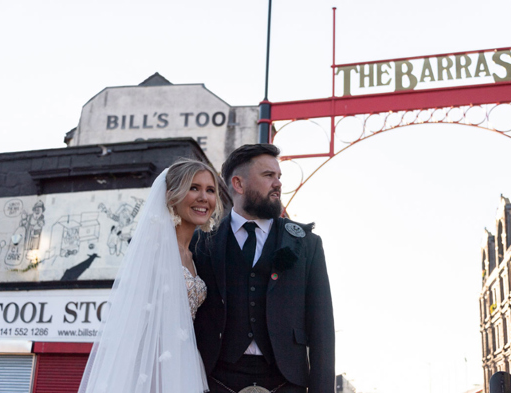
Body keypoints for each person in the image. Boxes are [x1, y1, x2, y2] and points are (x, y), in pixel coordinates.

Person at [192, 144, 335, 393]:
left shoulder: (307, 243)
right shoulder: (201, 243)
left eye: (279, 177)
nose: (278, 183)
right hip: (216, 381)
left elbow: (322, 328)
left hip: (287, 382)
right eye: (268, 176)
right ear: (238, 184)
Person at [78, 158, 223, 393]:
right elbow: (138, 325)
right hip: (153, 368)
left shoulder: (192, 254)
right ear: (170, 195)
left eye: (210, 190)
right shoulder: (156, 250)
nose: (204, 198)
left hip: (185, 363)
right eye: (193, 188)